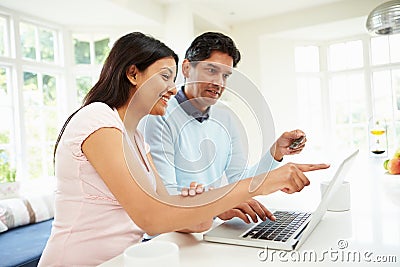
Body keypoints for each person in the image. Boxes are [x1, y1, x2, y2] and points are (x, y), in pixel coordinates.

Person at [38, 32, 329, 266]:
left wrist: (199, 208)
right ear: (132, 74)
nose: (172, 87)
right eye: (165, 76)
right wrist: (261, 184)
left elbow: (167, 213)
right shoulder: (96, 118)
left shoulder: (137, 138)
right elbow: (152, 218)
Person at [140, 32, 308, 224]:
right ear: (186, 68)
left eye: (225, 75)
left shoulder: (226, 117)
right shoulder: (159, 115)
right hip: (175, 230)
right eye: (211, 71)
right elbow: (165, 193)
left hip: (209, 224)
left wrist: (275, 152)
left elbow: (239, 180)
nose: (219, 83)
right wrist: (218, 204)